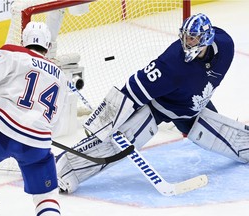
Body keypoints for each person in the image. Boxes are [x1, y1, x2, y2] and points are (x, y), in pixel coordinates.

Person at [55, 13, 249, 194]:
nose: (186, 42)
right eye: (185, 36)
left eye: (193, 38)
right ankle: (65, 169)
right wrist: (103, 123)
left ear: (206, 39)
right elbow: (132, 89)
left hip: (193, 107)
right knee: (118, 144)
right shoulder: (171, 63)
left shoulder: (225, 45)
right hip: (158, 108)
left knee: (228, 136)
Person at [0, 21, 69, 215]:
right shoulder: (61, 76)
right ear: (48, 47)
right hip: (37, 144)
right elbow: (58, 125)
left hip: (0, 134)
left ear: (22, 40)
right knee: (46, 194)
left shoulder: (13, 53)